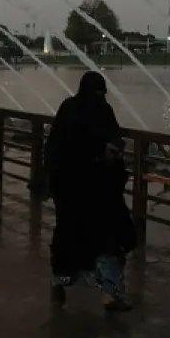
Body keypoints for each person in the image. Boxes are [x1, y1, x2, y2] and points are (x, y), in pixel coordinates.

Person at [37, 71, 137, 311]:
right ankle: (62, 284)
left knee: (105, 240)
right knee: (77, 238)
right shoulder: (79, 110)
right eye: (96, 92)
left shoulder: (90, 109)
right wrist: (98, 151)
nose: (99, 97)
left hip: (94, 189)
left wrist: (112, 150)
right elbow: (66, 145)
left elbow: (112, 136)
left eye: (101, 93)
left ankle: (109, 294)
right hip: (76, 188)